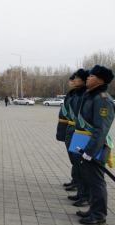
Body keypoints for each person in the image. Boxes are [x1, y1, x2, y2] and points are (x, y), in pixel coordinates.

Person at [75, 65, 115, 224]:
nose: (88, 78)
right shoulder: (92, 96)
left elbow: (100, 129)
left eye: (91, 76)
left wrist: (90, 151)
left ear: (100, 80)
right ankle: (94, 209)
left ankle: (99, 215)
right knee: (91, 180)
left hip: (96, 147)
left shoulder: (103, 100)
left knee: (97, 182)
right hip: (88, 144)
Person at [65, 69, 89, 207]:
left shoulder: (87, 95)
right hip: (74, 131)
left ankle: (86, 195)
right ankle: (81, 191)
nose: (73, 81)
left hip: (82, 133)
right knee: (76, 162)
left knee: (83, 167)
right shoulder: (75, 94)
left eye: (76, 79)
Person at [56, 73, 77, 191]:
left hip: (76, 131)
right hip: (69, 129)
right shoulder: (71, 94)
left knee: (77, 160)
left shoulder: (80, 95)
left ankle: (80, 184)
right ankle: (75, 180)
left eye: (74, 80)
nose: (71, 83)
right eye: (71, 81)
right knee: (73, 158)